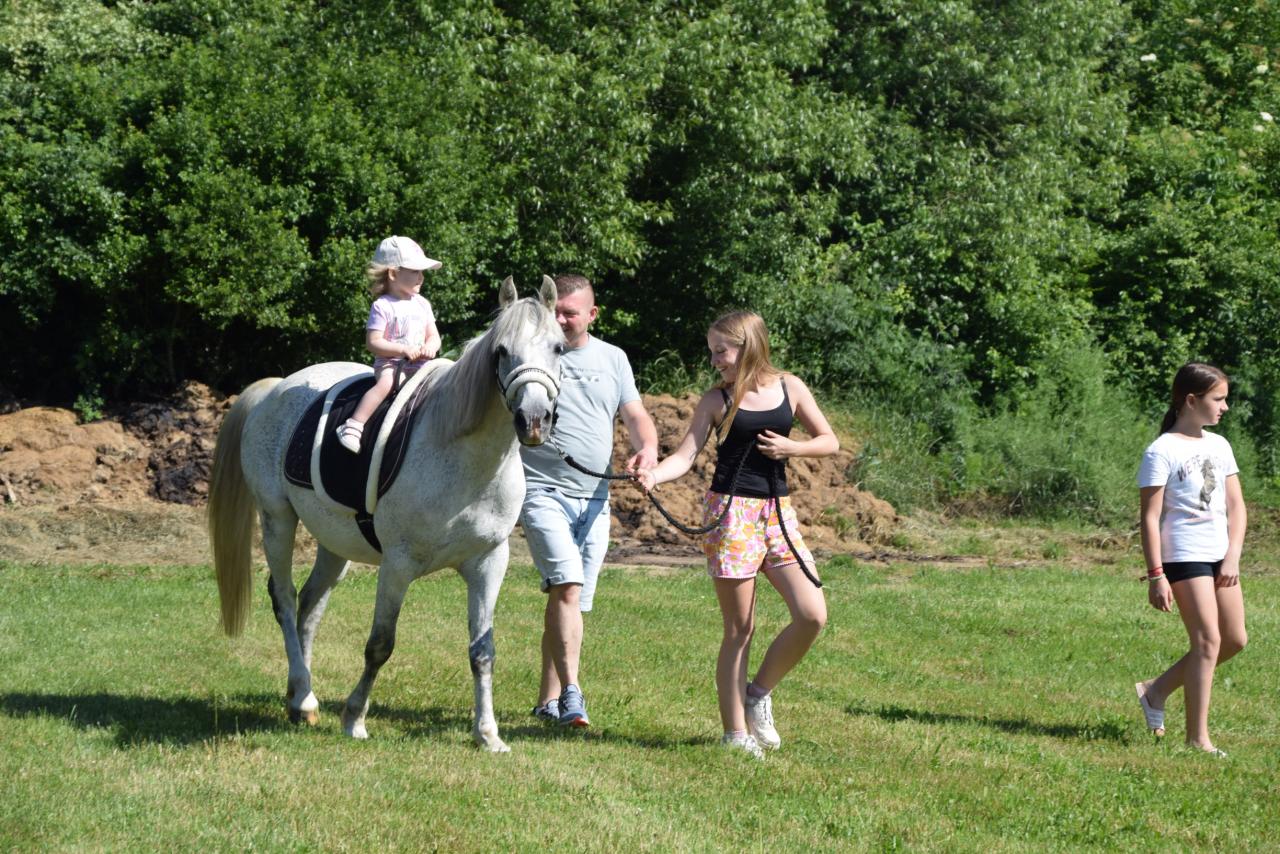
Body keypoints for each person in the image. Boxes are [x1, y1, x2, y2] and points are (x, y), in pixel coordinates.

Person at [634, 310, 836, 758]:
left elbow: (829, 440)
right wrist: (654, 475)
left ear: (748, 346)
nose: (714, 361)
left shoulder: (790, 387)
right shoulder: (716, 399)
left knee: (812, 615)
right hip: (731, 516)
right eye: (712, 352)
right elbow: (685, 456)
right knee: (740, 628)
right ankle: (735, 735)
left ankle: (757, 693)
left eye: (720, 351)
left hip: (777, 513)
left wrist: (793, 447)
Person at [519, 274, 657, 727]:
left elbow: (635, 414)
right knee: (568, 586)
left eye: (569, 313)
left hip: (596, 497)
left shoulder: (613, 358)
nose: (559, 319)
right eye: (553, 311)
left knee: (569, 600)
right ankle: (573, 694)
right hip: (541, 488)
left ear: (592, 315)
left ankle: (546, 701)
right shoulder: (532, 351)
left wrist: (647, 450)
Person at [1134, 362, 1248, 757]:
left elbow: (1237, 507)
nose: (1225, 407)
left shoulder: (1220, 445)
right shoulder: (1161, 451)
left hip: (1221, 556)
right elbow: (1149, 519)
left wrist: (1232, 556)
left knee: (1234, 640)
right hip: (1184, 555)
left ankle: (1156, 690)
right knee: (1207, 641)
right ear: (1191, 400)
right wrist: (1156, 575)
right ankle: (1198, 739)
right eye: (1219, 399)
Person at [336, 236, 443, 453]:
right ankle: (354, 424)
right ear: (393, 274)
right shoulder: (382, 306)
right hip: (391, 364)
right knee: (387, 384)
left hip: (421, 366)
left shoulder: (422, 304)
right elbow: (373, 342)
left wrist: (430, 346)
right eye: (415, 271)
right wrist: (403, 349)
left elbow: (434, 335)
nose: (421, 277)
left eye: (422, 272)